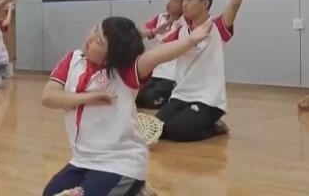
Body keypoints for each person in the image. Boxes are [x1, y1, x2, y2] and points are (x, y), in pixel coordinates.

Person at [41, 16, 213, 196]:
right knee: (50, 193)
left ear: (111, 56)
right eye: (95, 29)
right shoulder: (73, 60)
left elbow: (154, 57)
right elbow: (48, 96)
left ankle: (132, 184)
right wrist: (86, 98)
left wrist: (189, 40)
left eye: (99, 41)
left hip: (120, 163)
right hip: (83, 160)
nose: (90, 38)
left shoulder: (124, 73)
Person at [154, 0, 251, 142]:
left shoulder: (217, 28)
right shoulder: (182, 31)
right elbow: (163, 52)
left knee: (178, 131)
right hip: (181, 96)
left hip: (208, 100)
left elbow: (235, 4)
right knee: (158, 128)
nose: (184, 4)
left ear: (205, 4)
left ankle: (214, 127)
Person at [136, 0, 208, 108]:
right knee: (134, 94)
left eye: (174, 1)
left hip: (171, 77)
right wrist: (154, 30)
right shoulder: (160, 18)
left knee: (148, 99)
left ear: (183, 4)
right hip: (154, 73)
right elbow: (138, 32)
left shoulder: (186, 21)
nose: (168, 4)